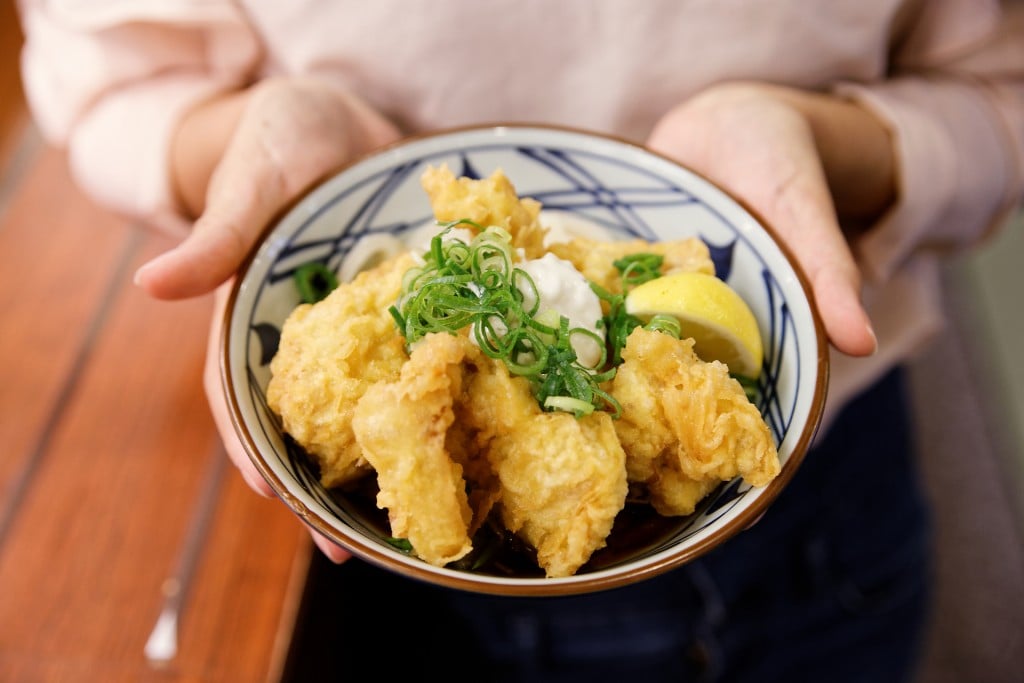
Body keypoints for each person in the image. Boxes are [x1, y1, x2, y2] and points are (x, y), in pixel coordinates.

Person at [17, 1, 1024, 680]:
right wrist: (236, 150)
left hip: (800, 521)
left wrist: (821, 142)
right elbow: (107, 78)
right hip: (348, 558)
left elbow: (997, 88)